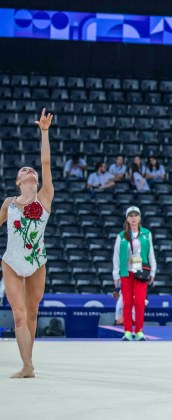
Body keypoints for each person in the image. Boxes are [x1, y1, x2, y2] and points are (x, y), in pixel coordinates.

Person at [0, 108, 54, 378]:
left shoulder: (45, 197)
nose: (30, 170)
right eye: (24, 171)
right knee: (19, 314)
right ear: (19, 181)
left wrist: (44, 133)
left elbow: (45, 164)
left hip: (36, 261)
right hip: (11, 261)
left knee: (32, 312)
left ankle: (28, 361)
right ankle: (26, 366)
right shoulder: (9, 203)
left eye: (31, 170)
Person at [112, 206, 156, 341]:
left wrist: (153, 270)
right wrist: (115, 275)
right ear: (127, 218)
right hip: (126, 272)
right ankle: (127, 331)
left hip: (141, 272)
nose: (133, 218)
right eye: (130, 216)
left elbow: (151, 253)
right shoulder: (121, 235)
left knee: (139, 302)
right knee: (127, 302)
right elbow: (116, 256)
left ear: (140, 217)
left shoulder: (146, 234)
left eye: (135, 215)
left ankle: (139, 331)